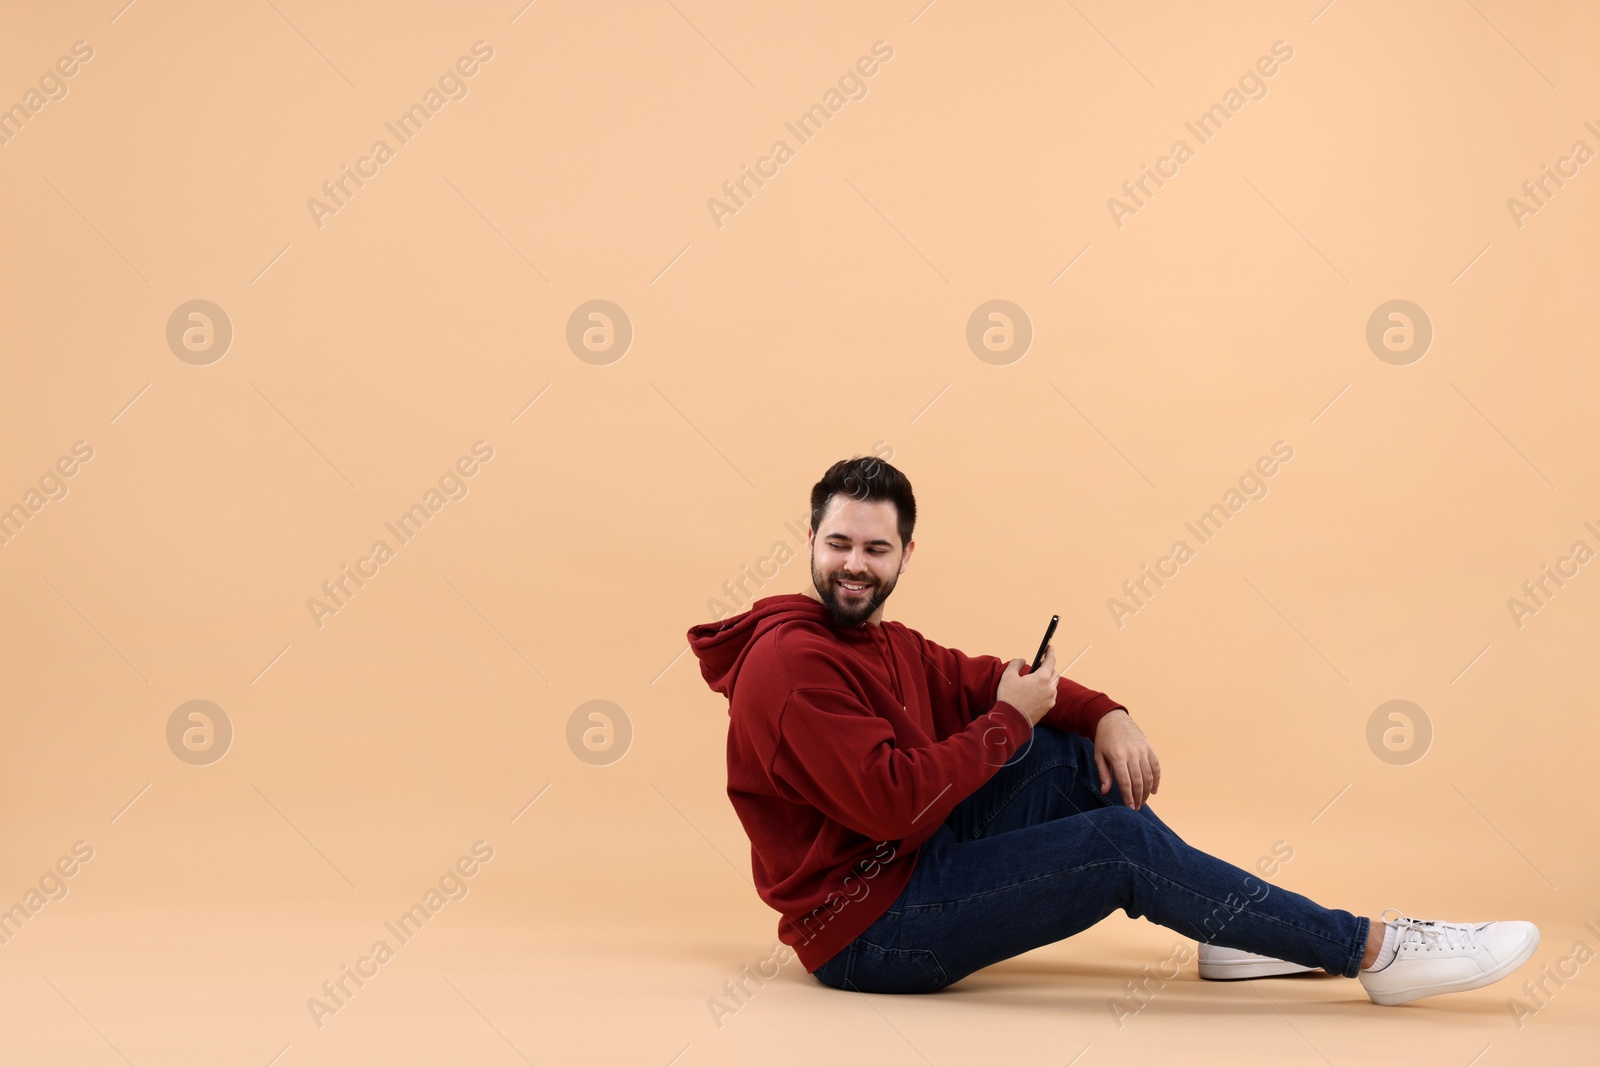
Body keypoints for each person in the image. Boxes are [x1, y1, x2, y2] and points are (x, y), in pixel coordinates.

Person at [686, 456, 1540, 1006]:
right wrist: (1001, 727)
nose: (853, 565)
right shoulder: (792, 665)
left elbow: (989, 679)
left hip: (914, 862)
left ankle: (1228, 929)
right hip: (869, 928)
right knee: (1117, 847)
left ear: (908, 553)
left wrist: (1106, 713)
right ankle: (1371, 948)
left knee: (1067, 759)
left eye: (875, 549)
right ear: (810, 540)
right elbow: (892, 805)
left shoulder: (878, 639)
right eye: (838, 544)